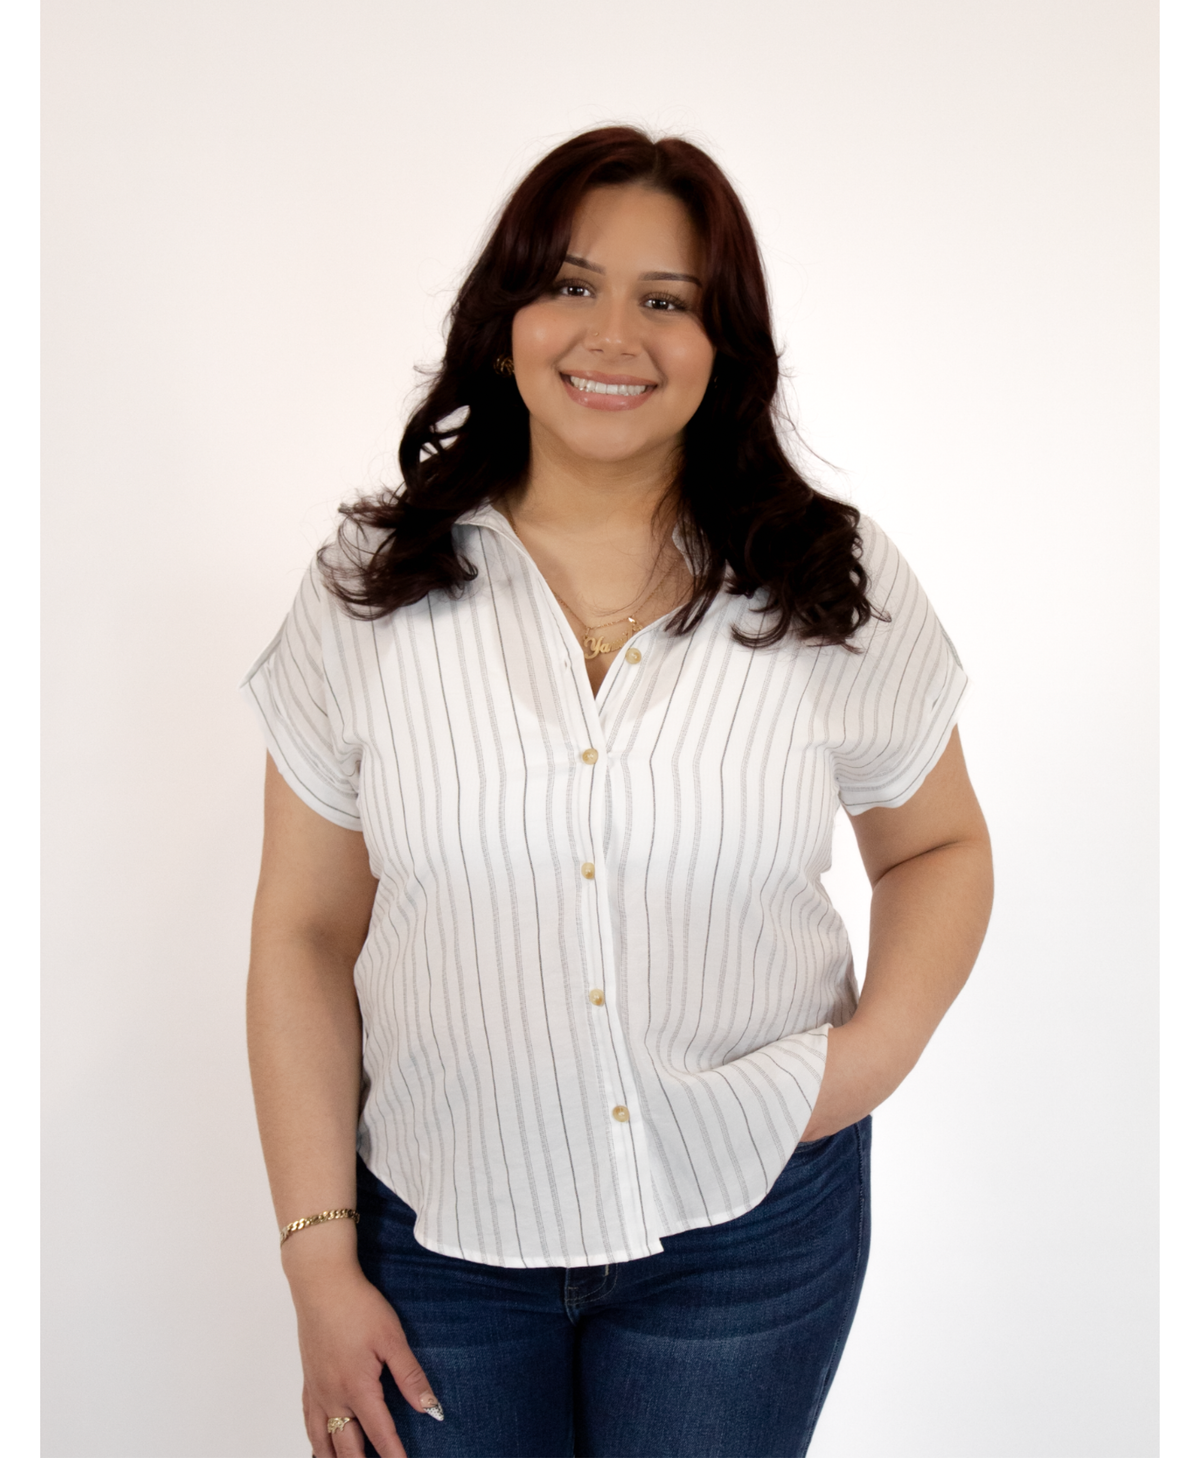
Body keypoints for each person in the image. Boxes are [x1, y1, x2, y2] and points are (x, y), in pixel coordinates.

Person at [242, 125, 993, 1458]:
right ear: (507, 320)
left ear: (723, 344)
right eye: (572, 285)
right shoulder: (369, 588)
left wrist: (866, 1062)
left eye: (668, 301)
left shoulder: (826, 578)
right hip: (439, 1239)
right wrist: (316, 1257)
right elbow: (304, 930)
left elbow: (937, 847)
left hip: (750, 1228)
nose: (614, 336)